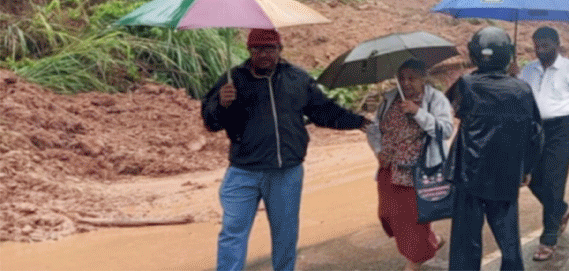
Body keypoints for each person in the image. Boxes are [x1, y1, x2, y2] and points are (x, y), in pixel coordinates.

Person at [201, 28, 370, 271]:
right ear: (249, 52)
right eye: (258, 49)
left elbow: (323, 111)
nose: (264, 54)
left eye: (270, 48)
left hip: (286, 172)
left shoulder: (298, 79)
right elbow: (211, 122)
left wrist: (358, 121)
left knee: (285, 235)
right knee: (233, 233)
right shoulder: (232, 80)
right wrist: (220, 103)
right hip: (244, 172)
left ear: (280, 50)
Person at [445, 26, 543, 271]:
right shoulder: (522, 89)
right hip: (506, 175)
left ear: (474, 54)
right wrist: (527, 169)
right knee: (509, 242)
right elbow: (536, 134)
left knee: (465, 244)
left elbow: (455, 108)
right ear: (508, 55)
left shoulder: (466, 84)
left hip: (470, 174)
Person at [517, 26, 569, 261]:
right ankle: (562, 209)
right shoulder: (527, 71)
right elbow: (519, 97)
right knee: (529, 177)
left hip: (561, 129)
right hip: (534, 129)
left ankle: (549, 238)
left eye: (544, 45)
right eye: (536, 45)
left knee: (554, 180)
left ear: (556, 44)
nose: (539, 50)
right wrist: (513, 77)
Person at [365, 58, 454, 271]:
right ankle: (432, 241)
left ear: (424, 78)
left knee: (413, 218)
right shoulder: (389, 99)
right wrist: (378, 151)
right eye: (401, 78)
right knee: (387, 214)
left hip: (418, 169)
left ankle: (415, 259)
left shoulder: (435, 99)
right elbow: (374, 128)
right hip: (390, 167)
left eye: (412, 78)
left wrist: (417, 112)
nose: (406, 83)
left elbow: (446, 130)